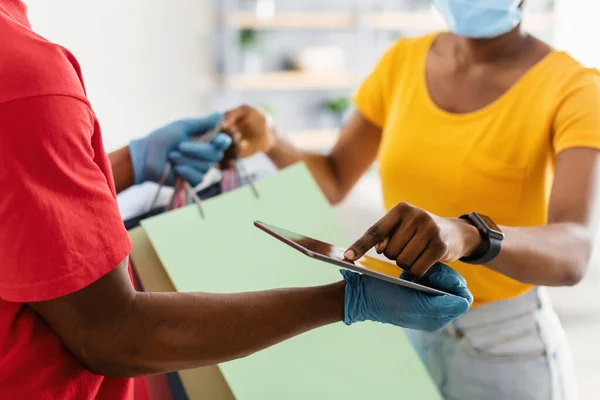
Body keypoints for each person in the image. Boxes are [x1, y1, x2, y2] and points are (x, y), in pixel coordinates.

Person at [0, 1, 473, 399]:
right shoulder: (28, 78)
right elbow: (113, 334)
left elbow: (19, 209)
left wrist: (127, 164)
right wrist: (349, 299)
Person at [223, 1, 600, 399]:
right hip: (407, 324)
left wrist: (470, 234)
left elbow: (573, 250)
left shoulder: (573, 86)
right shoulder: (402, 62)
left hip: (505, 346)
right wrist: (272, 139)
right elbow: (334, 178)